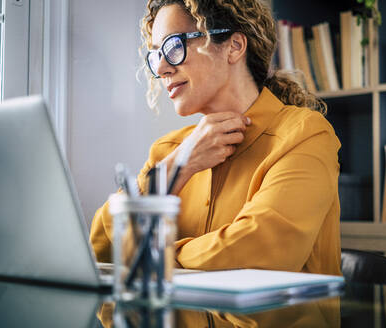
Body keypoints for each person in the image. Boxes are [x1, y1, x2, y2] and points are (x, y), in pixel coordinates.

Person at [89, 0, 342, 276]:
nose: (161, 68)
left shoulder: (305, 135)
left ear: (234, 47)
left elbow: (260, 251)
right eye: (156, 54)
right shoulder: (168, 151)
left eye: (174, 46)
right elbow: (100, 249)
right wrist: (177, 168)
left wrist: (155, 257)